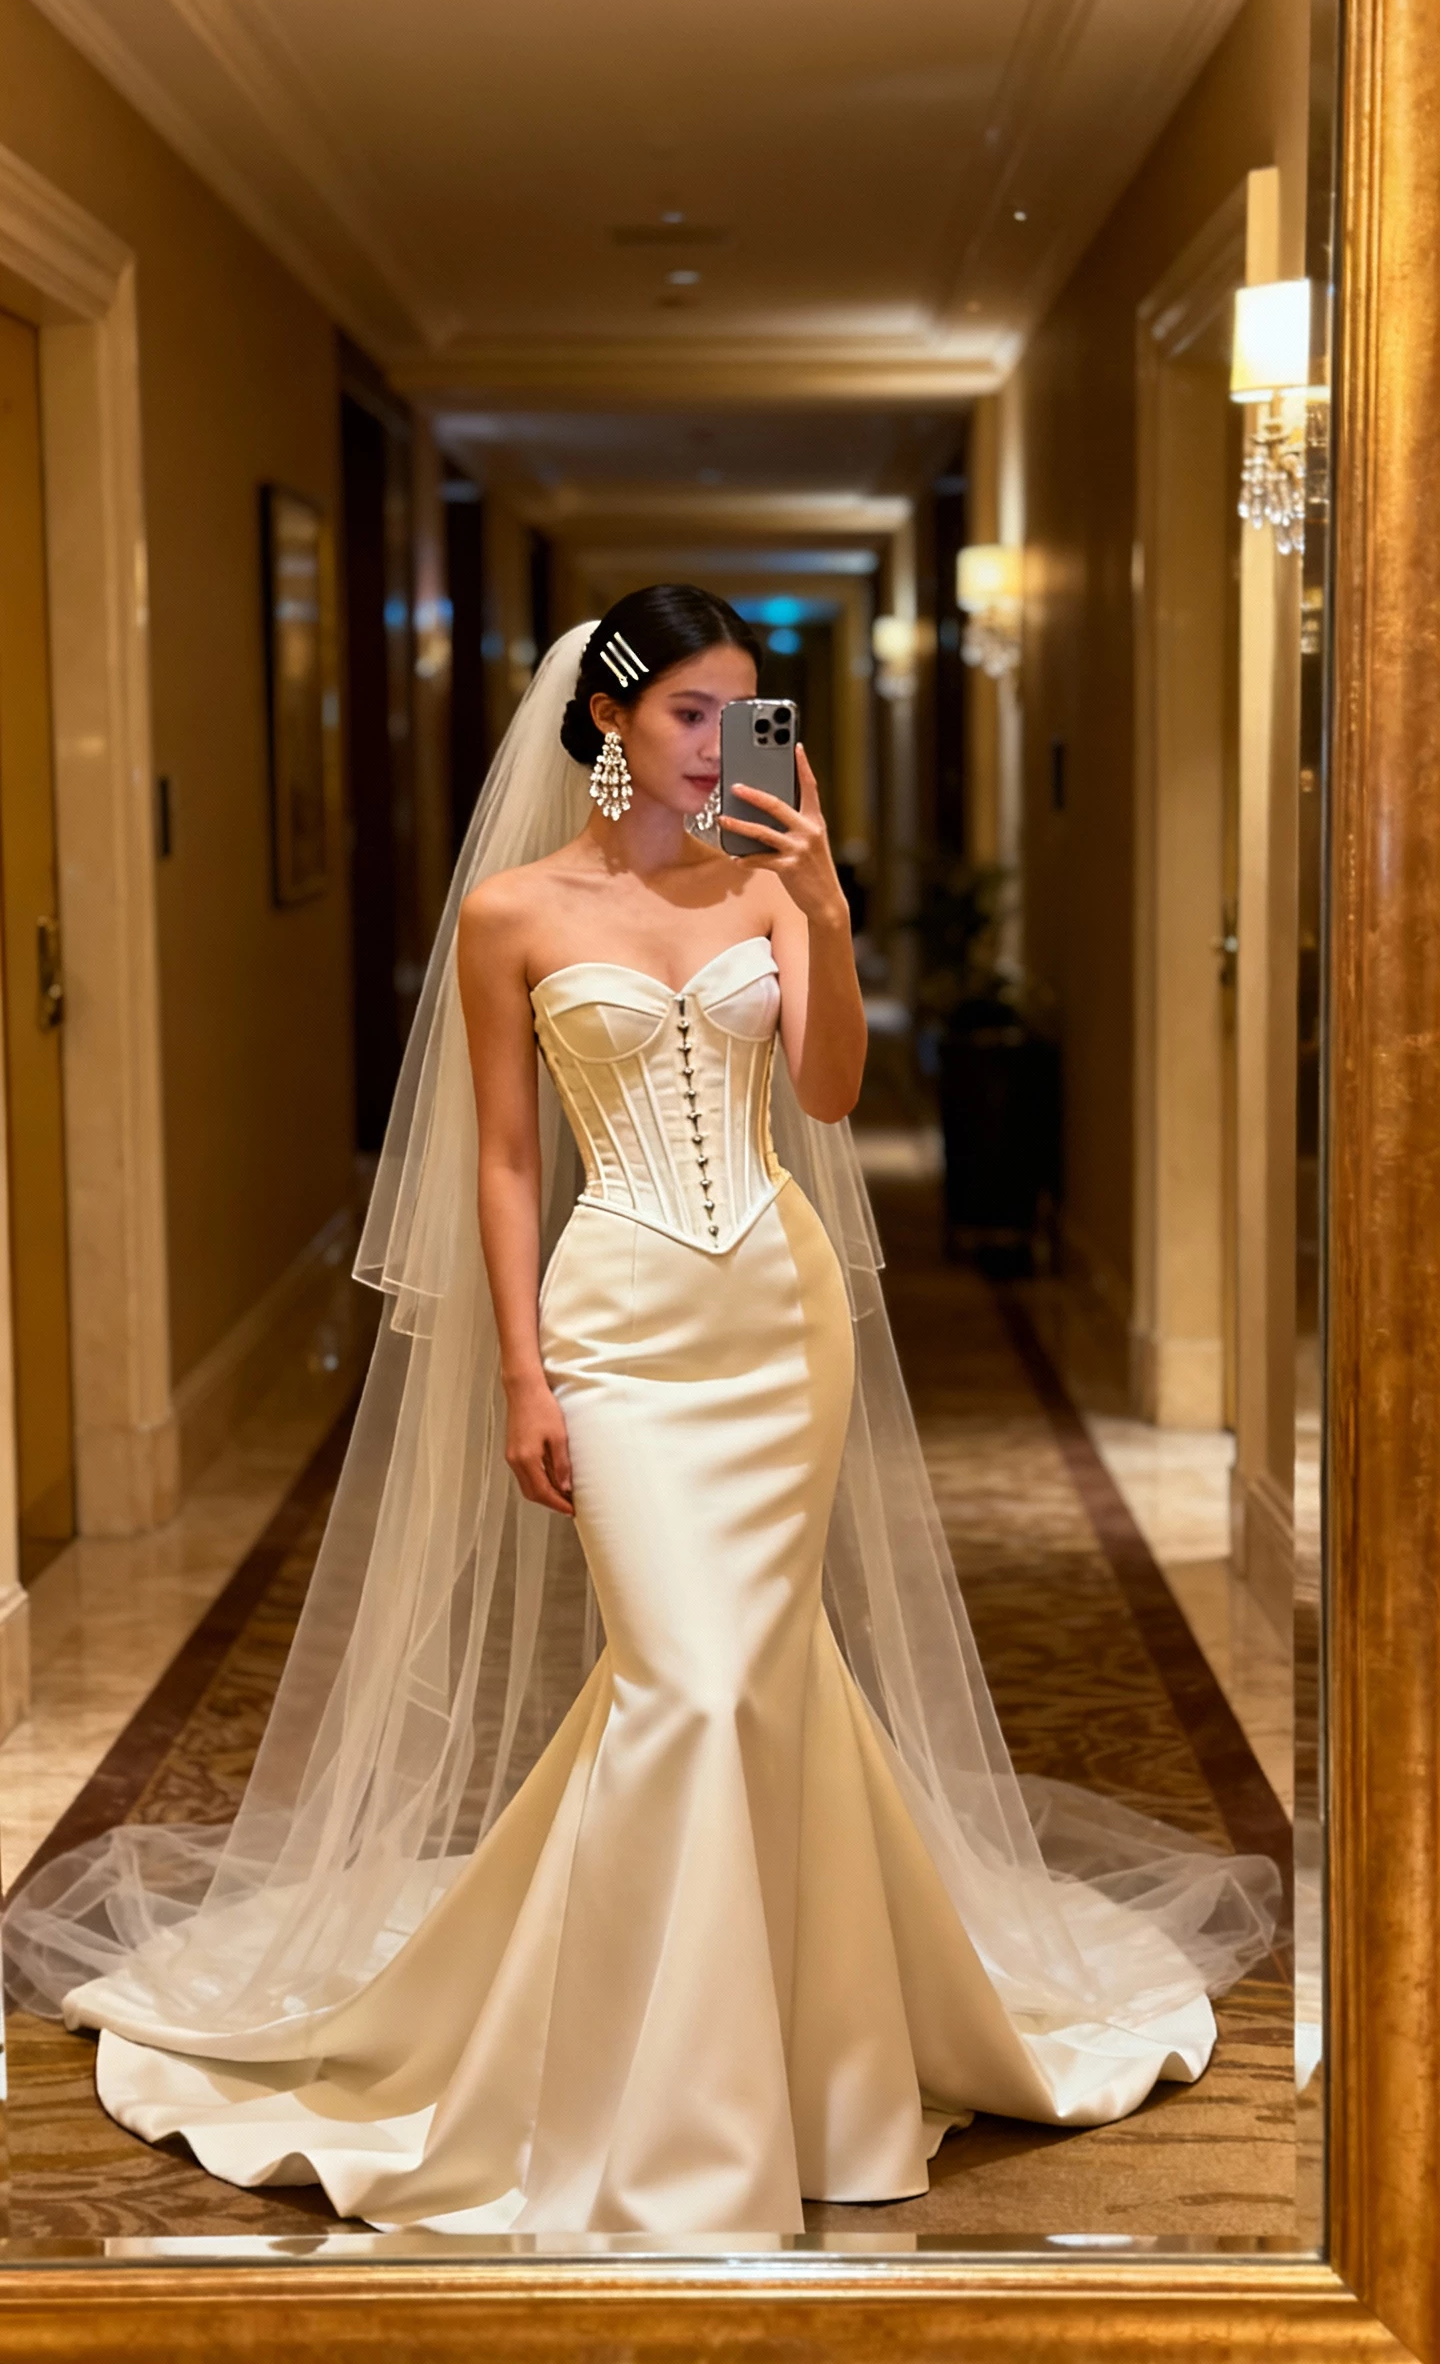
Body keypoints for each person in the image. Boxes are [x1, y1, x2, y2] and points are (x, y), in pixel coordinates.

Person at [5, 587, 1279, 2236]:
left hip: (777, 1313)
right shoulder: (514, 914)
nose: (720, 745)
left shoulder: (768, 880)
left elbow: (824, 1095)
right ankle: (670, 2110)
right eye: (689, 711)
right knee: (681, 1684)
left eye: (746, 713)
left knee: (753, 1684)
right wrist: (526, 1373)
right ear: (607, 721)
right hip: (616, 1329)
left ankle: (804, 2071)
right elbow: (510, 1158)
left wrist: (818, 904)